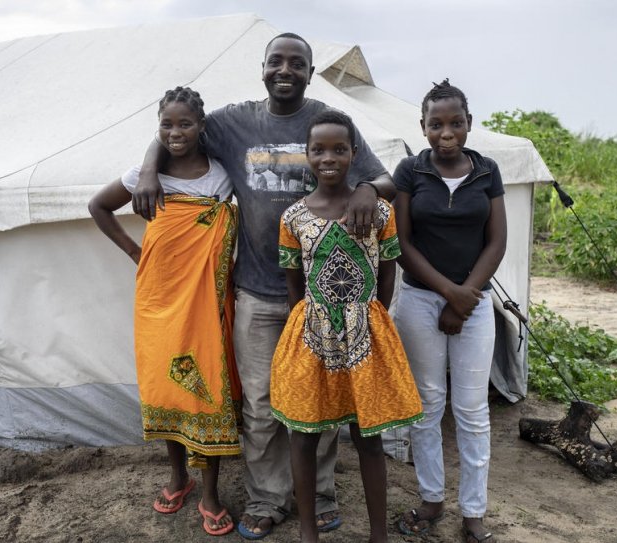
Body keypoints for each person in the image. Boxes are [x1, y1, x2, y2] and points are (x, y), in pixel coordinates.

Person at [131, 33, 395, 540]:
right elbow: (175, 132)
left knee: (320, 400)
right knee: (260, 402)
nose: (285, 70)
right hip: (255, 292)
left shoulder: (327, 120)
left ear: (311, 72)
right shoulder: (234, 121)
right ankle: (267, 498)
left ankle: (317, 496)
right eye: (276, 61)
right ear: (262, 67)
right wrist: (147, 170)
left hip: (323, 300)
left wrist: (365, 187)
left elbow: (382, 178)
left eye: (297, 63)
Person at [88, 86, 241, 536]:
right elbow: (98, 206)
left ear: (202, 127)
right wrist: (137, 254)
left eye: (185, 124)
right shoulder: (142, 176)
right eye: (166, 125)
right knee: (165, 388)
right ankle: (178, 476)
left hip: (207, 297)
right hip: (158, 299)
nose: (175, 132)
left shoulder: (222, 175)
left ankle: (210, 492)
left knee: (208, 385)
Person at [270, 110, 423, 543]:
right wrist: (310, 328)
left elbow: (388, 273)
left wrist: (369, 317)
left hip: (365, 331)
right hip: (311, 334)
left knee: (368, 435)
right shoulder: (293, 218)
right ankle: (308, 533)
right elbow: (294, 286)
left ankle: (378, 534)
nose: (329, 157)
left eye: (340, 149)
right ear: (307, 155)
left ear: (355, 153)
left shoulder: (378, 211)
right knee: (303, 434)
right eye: (318, 150)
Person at [392, 80, 507, 543]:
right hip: (420, 299)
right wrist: (446, 293)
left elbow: (497, 241)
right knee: (427, 405)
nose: (447, 132)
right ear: (422, 127)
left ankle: (474, 511)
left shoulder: (487, 170)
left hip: (475, 303)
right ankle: (432, 498)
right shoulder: (409, 172)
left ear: (469, 124)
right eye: (436, 124)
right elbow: (401, 243)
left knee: (472, 410)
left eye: (455, 122)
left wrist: (465, 297)